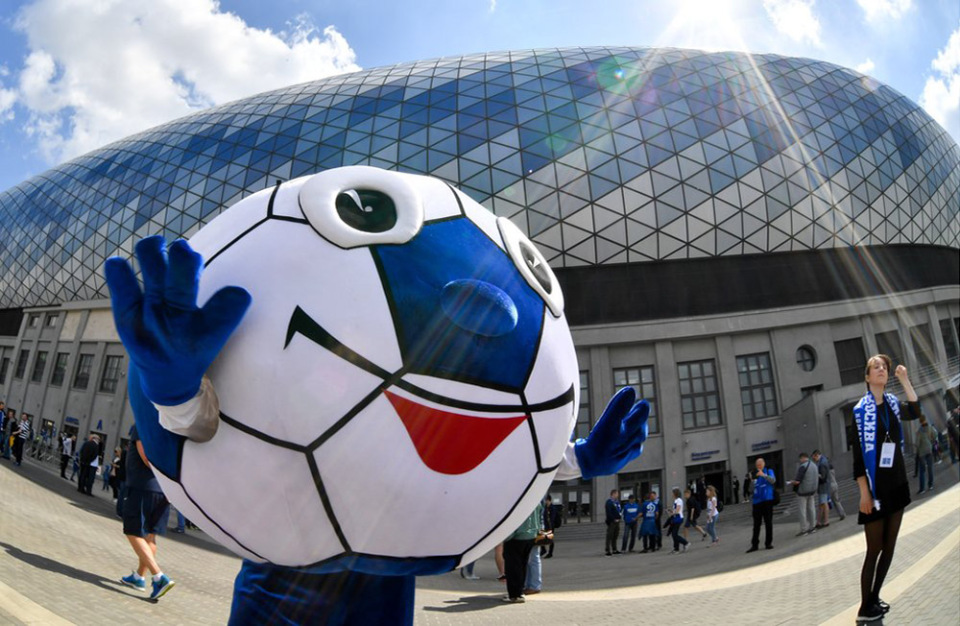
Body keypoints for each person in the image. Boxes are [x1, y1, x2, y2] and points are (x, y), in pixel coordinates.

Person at [852, 356, 922, 623]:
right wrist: (864, 493)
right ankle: (864, 607)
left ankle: (874, 598)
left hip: (897, 482)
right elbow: (858, 457)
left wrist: (904, 380)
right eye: (876, 367)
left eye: (884, 367)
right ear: (867, 377)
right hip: (875, 488)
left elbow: (914, 411)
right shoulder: (860, 411)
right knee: (874, 549)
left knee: (890, 546)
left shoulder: (892, 403)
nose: (881, 369)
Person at [119, 424, 175, 601]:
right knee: (150, 536)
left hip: (142, 487)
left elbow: (145, 457)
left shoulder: (144, 422)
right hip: (163, 491)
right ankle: (139, 577)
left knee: (132, 531)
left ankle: (159, 577)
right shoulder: (171, 426)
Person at [502, 501, 543, 603]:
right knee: (522, 565)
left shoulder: (518, 501)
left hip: (516, 537)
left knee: (513, 567)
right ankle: (519, 592)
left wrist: (506, 537)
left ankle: (514, 595)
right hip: (530, 536)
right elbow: (539, 516)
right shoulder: (535, 501)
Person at [746, 457, 775, 553]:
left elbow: (773, 481)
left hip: (767, 500)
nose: (758, 467)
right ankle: (754, 545)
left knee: (768, 522)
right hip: (757, 502)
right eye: (757, 465)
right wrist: (751, 480)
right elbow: (750, 490)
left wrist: (763, 475)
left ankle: (768, 543)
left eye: (760, 465)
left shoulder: (769, 471)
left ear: (763, 464)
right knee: (756, 524)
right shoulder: (754, 474)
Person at [787, 452, 818, 536]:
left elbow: (797, 481)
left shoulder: (802, 466)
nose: (800, 461)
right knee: (812, 509)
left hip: (803, 492)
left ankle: (804, 530)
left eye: (800, 459)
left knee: (802, 511)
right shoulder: (814, 465)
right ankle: (813, 527)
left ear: (802, 458)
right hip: (812, 491)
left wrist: (791, 482)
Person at [915, 416, 936, 494]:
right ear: (925, 420)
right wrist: (931, 442)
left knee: (922, 470)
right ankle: (930, 485)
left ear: (920, 422)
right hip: (929, 450)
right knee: (930, 468)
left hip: (922, 452)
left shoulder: (919, 431)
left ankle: (922, 488)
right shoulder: (930, 427)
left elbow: (917, 443)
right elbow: (935, 434)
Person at [811, 450, 830, 527]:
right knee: (823, 503)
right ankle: (821, 521)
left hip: (823, 486)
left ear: (816, 455)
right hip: (824, 485)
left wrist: (816, 475)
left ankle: (825, 521)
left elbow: (823, 477)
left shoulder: (822, 463)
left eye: (814, 458)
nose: (814, 460)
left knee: (824, 503)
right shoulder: (823, 461)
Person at [668, 488, 688, 554]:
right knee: (674, 534)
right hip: (676, 518)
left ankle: (685, 543)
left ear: (675, 494)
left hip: (678, 518)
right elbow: (676, 509)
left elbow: (678, 509)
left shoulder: (679, 500)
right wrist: (671, 511)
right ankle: (676, 548)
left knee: (674, 534)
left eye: (673, 493)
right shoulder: (676, 500)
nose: (672, 495)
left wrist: (672, 513)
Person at [604, 489, 622, 556]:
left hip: (617, 521)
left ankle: (614, 549)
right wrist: (613, 519)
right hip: (612, 521)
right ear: (613, 494)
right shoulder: (609, 502)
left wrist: (619, 518)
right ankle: (607, 550)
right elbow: (609, 512)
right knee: (609, 535)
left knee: (615, 535)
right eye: (617, 494)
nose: (618, 495)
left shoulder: (617, 502)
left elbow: (619, 510)